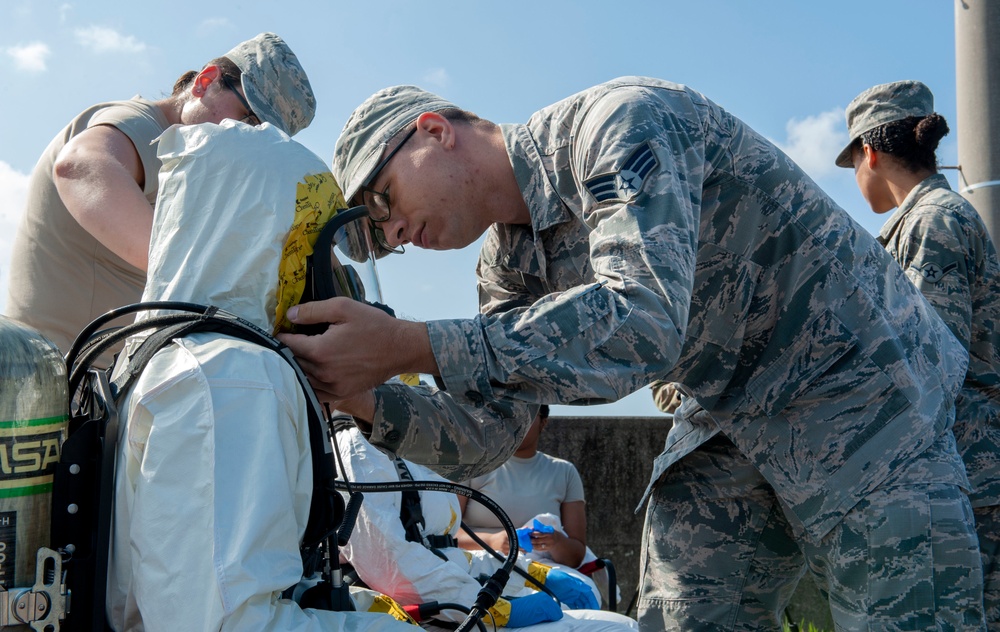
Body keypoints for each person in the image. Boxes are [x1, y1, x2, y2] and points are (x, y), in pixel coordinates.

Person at [279, 78, 982, 630]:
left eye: (383, 201)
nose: (397, 232)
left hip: (859, 384)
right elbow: (488, 430)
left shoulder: (616, 124)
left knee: (905, 611)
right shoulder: (508, 266)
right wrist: (359, 392)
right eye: (382, 237)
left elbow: (641, 322)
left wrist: (411, 343)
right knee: (682, 610)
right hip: (729, 408)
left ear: (433, 131)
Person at [106, 120, 413, 631]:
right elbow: (227, 624)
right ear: (260, 239)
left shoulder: (183, 355)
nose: (323, 274)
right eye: (311, 244)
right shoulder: (233, 377)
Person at [5, 32, 315, 366]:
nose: (246, 137)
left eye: (261, 134)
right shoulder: (146, 127)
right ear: (205, 82)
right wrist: (196, 273)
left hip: (93, 392)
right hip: (48, 390)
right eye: (248, 118)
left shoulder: (194, 165)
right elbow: (79, 166)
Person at [838, 79, 1000, 628]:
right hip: (967, 468)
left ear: (870, 152)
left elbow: (928, 361)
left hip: (972, 471)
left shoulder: (932, 223)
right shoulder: (930, 219)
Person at [334, 420, 638, 630]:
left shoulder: (410, 455)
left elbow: (443, 551)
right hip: (430, 615)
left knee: (621, 625)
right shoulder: (361, 454)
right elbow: (395, 569)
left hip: (453, 604)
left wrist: (528, 574)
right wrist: (495, 609)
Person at [458, 405, 589, 569]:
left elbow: (576, 555)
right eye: (509, 413)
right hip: (477, 567)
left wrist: (555, 541)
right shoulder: (471, 465)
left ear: (543, 423)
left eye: (526, 414)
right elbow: (444, 532)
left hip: (541, 571)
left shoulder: (564, 472)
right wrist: (493, 541)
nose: (516, 422)